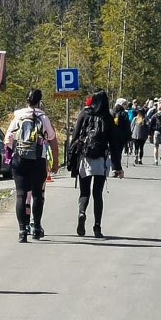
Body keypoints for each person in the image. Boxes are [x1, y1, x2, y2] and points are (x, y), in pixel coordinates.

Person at [4, 89, 59, 242]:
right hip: (38, 160)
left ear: (26, 100)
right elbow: (53, 138)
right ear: (39, 101)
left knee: (21, 195)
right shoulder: (43, 117)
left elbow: (8, 139)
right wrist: (55, 161)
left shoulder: (18, 117)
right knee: (37, 195)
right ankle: (36, 227)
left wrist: (9, 157)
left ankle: (22, 231)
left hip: (20, 159)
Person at [68, 90, 124, 238]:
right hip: (101, 159)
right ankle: (97, 227)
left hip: (85, 158)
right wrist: (117, 167)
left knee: (84, 192)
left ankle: (81, 212)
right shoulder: (107, 117)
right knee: (97, 194)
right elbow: (114, 144)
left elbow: (74, 138)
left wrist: (70, 160)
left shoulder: (84, 114)